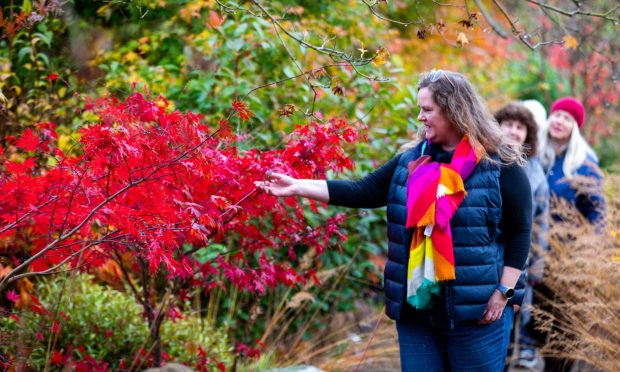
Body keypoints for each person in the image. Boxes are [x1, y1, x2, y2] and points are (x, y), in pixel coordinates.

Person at [256, 70, 532, 371]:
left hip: (477, 315)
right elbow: (362, 190)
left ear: (454, 110)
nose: (420, 117)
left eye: (427, 110)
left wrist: (503, 293)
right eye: (419, 109)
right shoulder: (412, 162)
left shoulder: (499, 164)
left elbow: (520, 231)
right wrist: (297, 186)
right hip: (418, 311)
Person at [495, 103, 550, 369]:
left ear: (528, 135)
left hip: (519, 266)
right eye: (508, 124)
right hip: (485, 260)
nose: (513, 132)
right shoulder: (484, 159)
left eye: (520, 127)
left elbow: (541, 225)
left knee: (510, 332)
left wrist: (536, 268)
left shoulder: (537, 175)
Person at [538, 97, 605, 224]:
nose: (559, 121)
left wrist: (591, 242)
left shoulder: (585, 164)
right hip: (531, 239)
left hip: (564, 241)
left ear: (575, 128)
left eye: (567, 119)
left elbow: (597, 211)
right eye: (557, 115)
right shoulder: (534, 153)